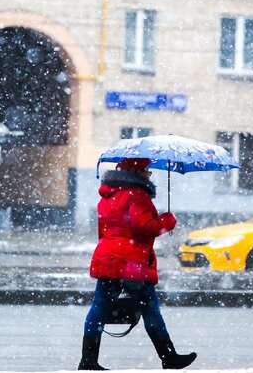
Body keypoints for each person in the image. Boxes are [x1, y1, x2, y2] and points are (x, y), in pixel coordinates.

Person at [78, 158, 197, 370]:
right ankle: (168, 356)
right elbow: (144, 227)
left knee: (99, 308)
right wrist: (166, 222)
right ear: (138, 172)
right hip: (130, 262)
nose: (149, 175)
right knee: (150, 309)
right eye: (147, 171)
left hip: (108, 257)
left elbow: (106, 230)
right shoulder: (137, 195)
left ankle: (88, 360)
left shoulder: (108, 195)